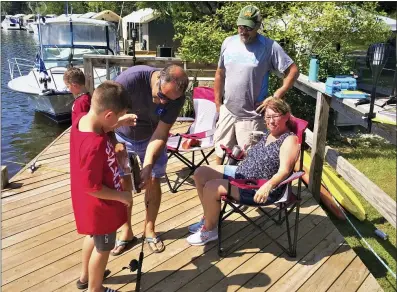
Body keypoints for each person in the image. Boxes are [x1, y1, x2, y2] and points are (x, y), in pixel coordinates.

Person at [186, 97, 300, 245]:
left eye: (275, 117)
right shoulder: (270, 132)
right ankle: (208, 217)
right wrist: (247, 154)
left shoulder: (289, 140)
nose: (271, 121)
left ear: (286, 116)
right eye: (268, 117)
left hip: (256, 187)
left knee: (211, 187)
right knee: (201, 172)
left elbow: (284, 171)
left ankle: (209, 230)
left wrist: (268, 186)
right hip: (242, 173)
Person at [109, 64, 189, 255]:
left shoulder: (176, 98)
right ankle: (126, 230)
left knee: (153, 179)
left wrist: (147, 165)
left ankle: (149, 228)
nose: (163, 103)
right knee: (123, 181)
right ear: (158, 79)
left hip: (152, 136)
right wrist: (113, 139)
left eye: (168, 101)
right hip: (121, 135)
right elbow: (105, 115)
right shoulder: (129, 80)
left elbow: (161, 133)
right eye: (162, 96)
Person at [213, 5, 299, 165]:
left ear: (258, 26)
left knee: (249, 162)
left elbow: (293, 70)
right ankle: (216, 187)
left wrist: (276, 95)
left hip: (252, 116)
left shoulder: (269, 47)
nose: (243, 31)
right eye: (240, 26)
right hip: (228, 112)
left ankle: (245, 190)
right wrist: (218, 105)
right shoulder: (228, 43)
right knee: (220, 153)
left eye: (248, 28)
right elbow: (220, 73)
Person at [70, 80, 133, 292]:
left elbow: (104, 124)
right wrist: (122, 197)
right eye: (116, 117)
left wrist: (120, 120)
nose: (115, 124)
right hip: (101, 207)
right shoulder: (94, 145)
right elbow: (91, 187)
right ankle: (95, 289)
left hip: (91, 207)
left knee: (93, 237)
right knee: (104, 247)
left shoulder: (81, 120)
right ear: (108, 115)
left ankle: (85, 277)